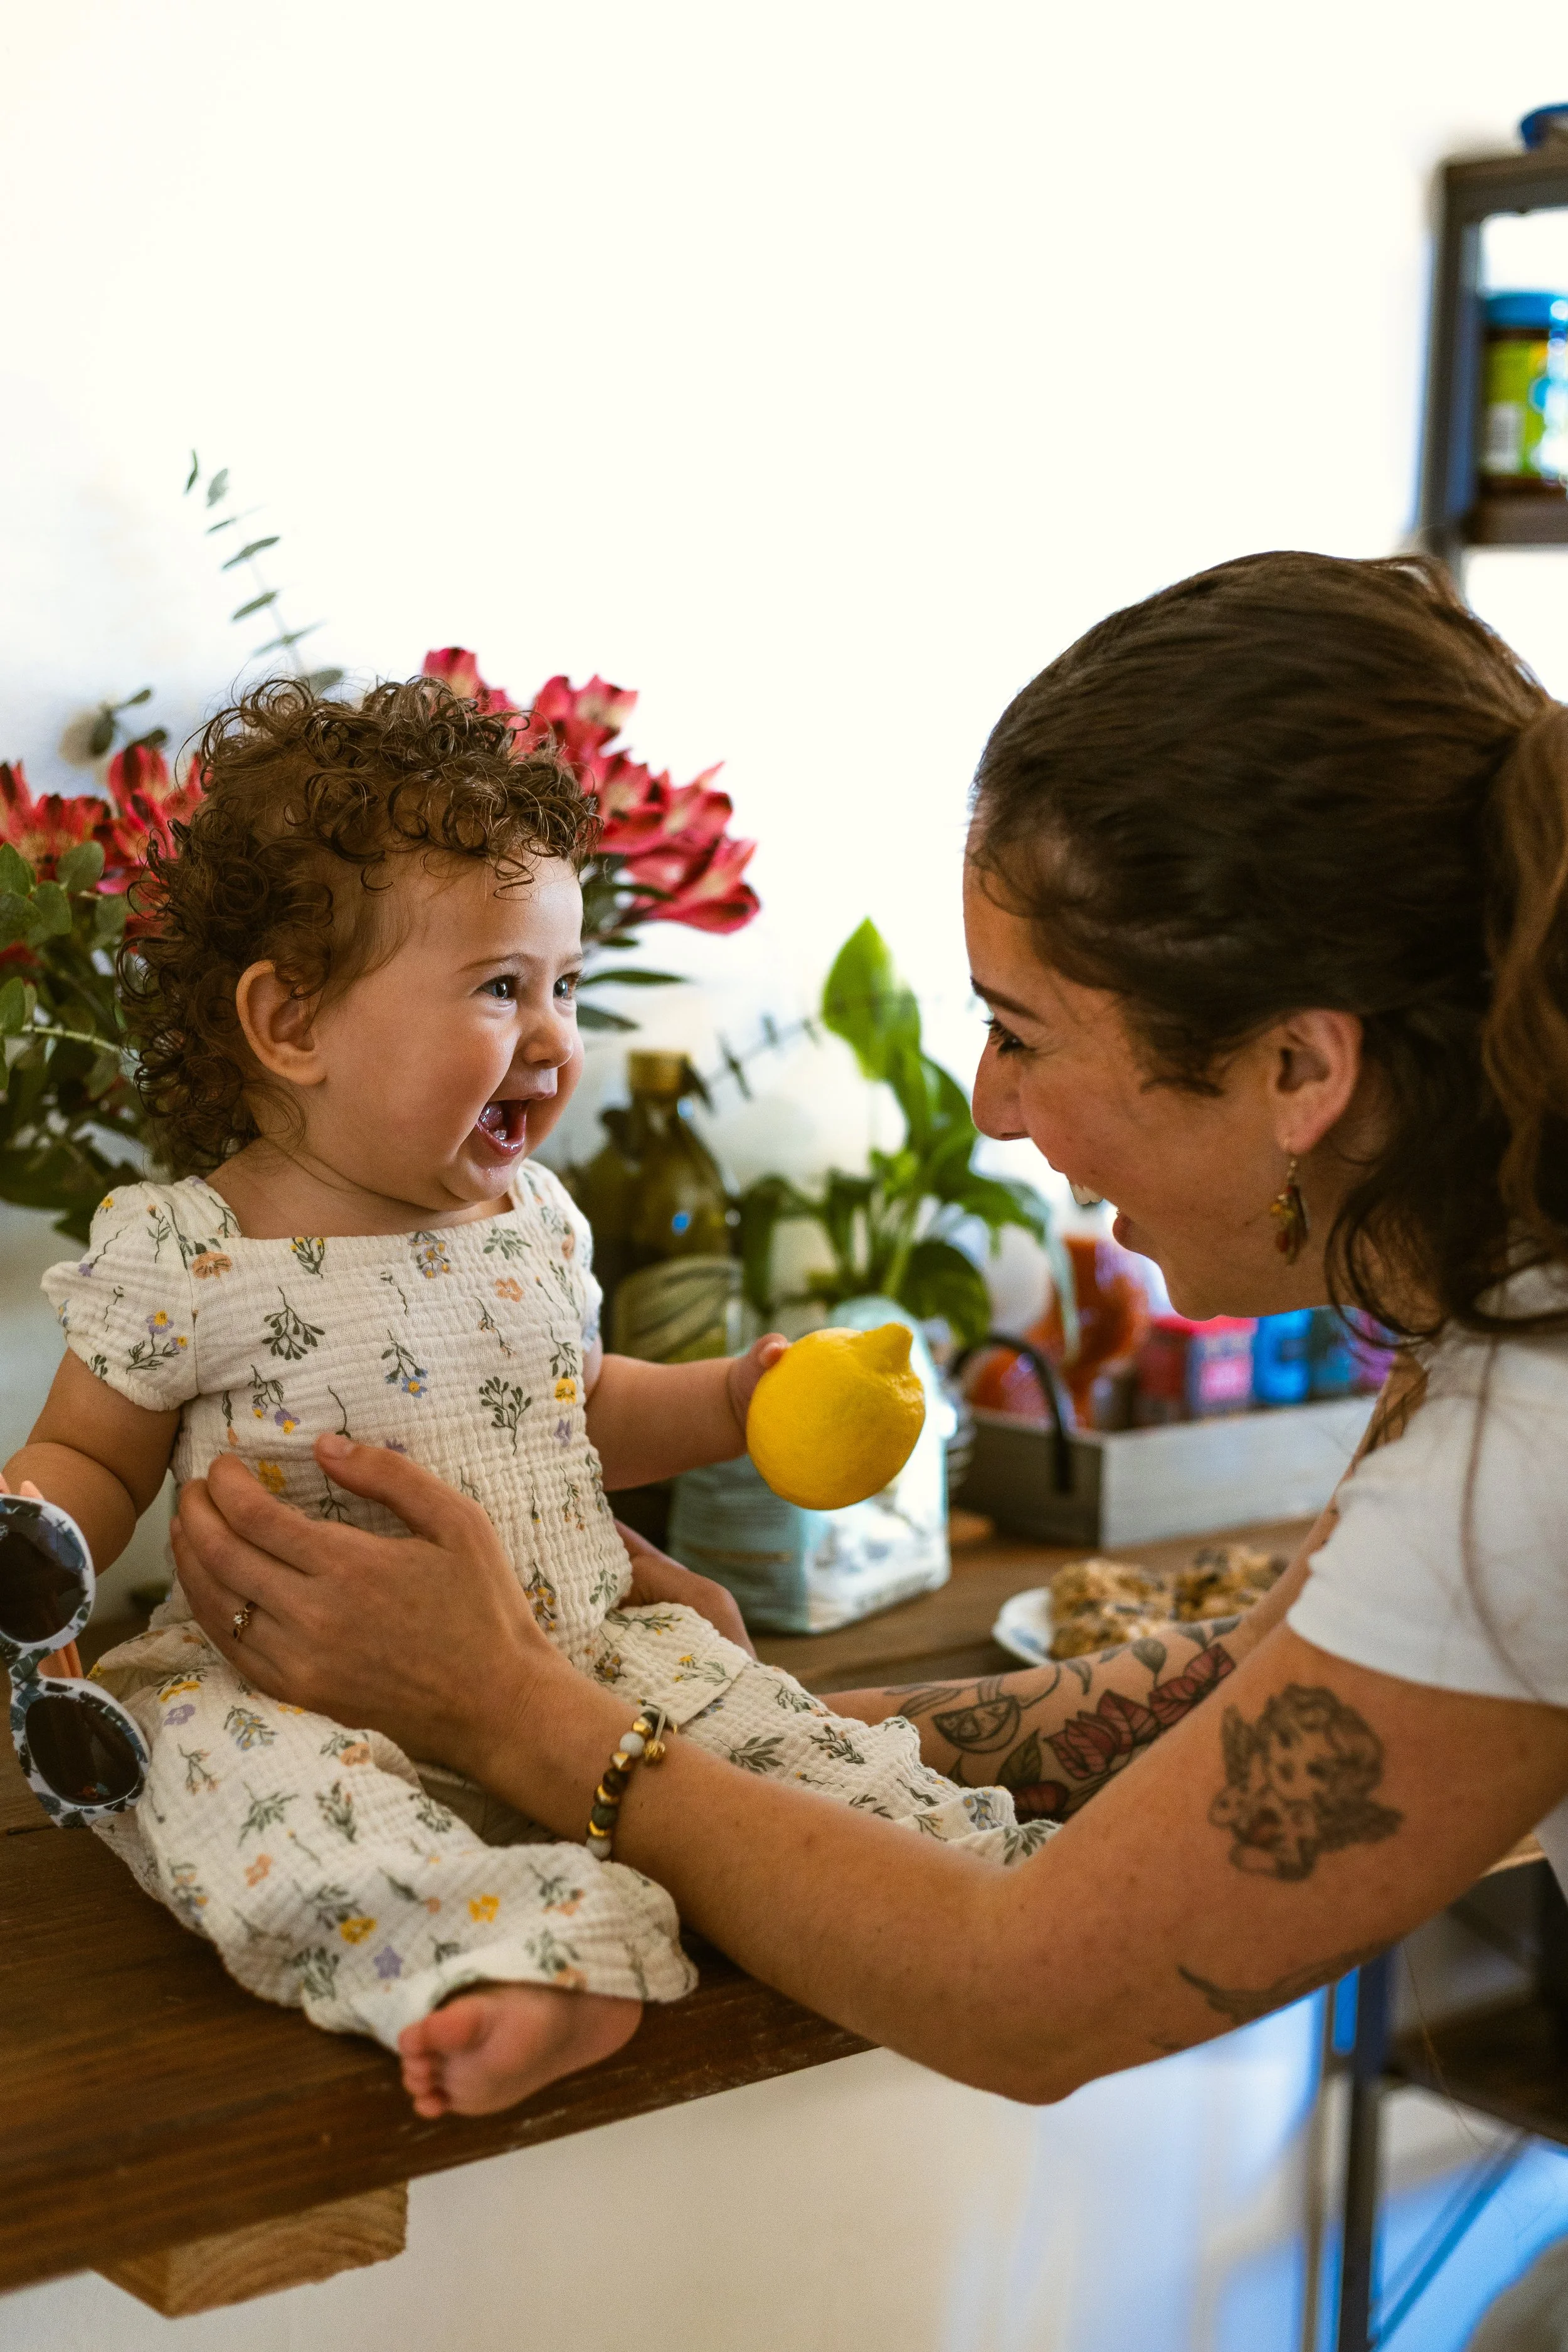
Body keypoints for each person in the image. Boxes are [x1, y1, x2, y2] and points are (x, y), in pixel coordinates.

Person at [166, 551, 1568, 2122]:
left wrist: (519, 1712)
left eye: (1019, 1031)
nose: (988, 1102)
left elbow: (1027, 1993)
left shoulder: (1526, 1457)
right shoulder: (1505, 1314)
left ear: (1298, 1068)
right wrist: (703, 1717)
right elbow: (1235, 1695)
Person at [1, 677, 1049, 2121]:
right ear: (290, 1021)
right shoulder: (187, 1250)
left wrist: (737, 1399)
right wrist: (34, 1531)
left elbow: (573, 1407)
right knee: (223, 1778)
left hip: (573, 1654)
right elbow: (85, 1454)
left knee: (761, 1728)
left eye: (564, 985)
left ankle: (947, 1871)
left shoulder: (532, 1221)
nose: (556, 1034)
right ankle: (514, 1949)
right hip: (288, 1680)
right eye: (502, 987)